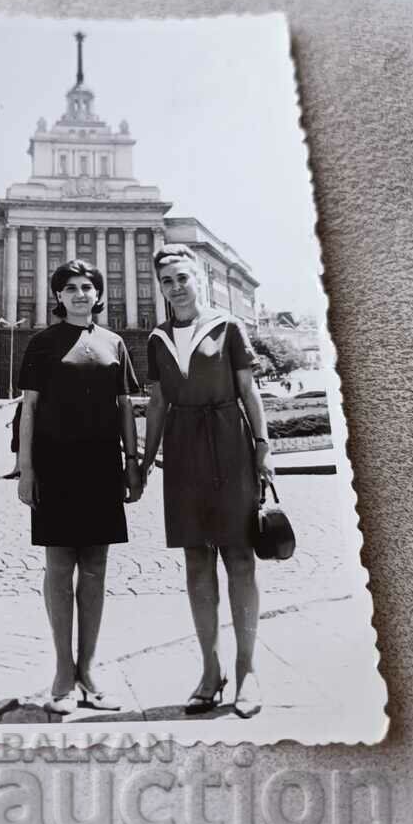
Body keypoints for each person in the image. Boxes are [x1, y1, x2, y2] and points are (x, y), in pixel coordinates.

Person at [140, 244, 274, 719]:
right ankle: (209, 670)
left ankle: (247, 673)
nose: (175, 287)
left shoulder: (227, 326)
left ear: (199, 278)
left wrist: (263, 446)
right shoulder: (156, 338)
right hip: (181, 451)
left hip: (231, 444)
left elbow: (248, 389)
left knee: (239, 556)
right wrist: (144, 459)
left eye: (182, 277)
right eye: (167, 281)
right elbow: (156, 402)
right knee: (197, 561)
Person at [17, 259, 142, 715]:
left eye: (87, 287)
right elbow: (28, 409)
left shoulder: (114, 343)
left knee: (94, 571)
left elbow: (126, 406)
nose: (79, 294)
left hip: (101, 467)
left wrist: (133, 463)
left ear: (98, 294)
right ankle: (62, 673)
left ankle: (88, 670)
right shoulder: (40, 344)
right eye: (69, 288)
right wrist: (25, 468)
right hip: (55, 466)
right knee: (58, 569)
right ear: (58, 297)